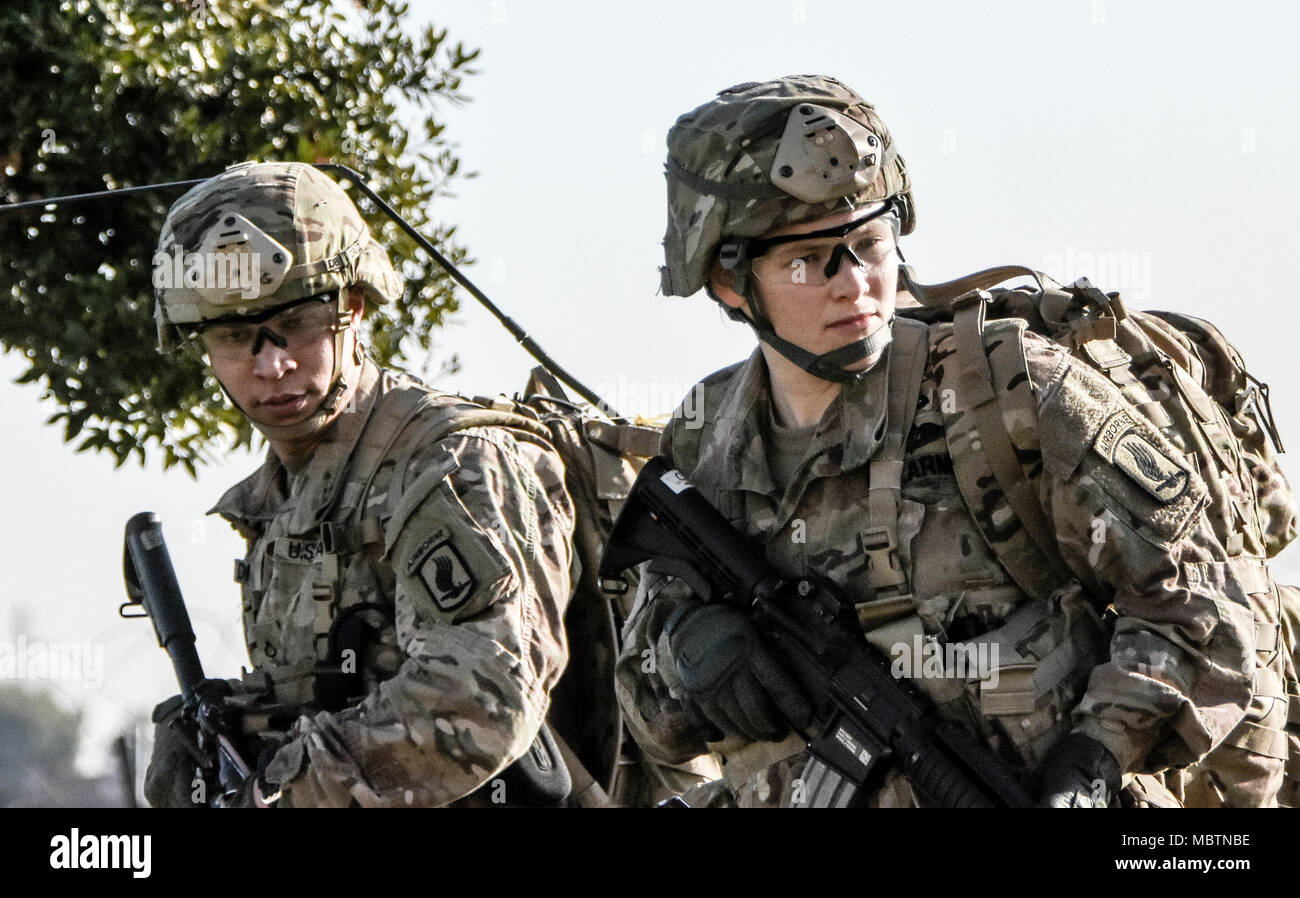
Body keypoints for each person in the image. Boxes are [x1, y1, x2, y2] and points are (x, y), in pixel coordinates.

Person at [614, 75, 1293, 807]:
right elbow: (648, 712)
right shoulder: (706, 437)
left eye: (871, 244)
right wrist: (692, 654)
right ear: (728, 282)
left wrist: (1095, 754)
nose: (857, 285)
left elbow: (1206, 606)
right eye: (809, 261)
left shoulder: (1008, 393)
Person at [142, 161, 575, 807]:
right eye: (236, 336)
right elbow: (334, 692)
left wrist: (276, 793)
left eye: (297, 323)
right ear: (200, 344)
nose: (272, 363)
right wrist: (236, 726)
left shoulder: (448, 463)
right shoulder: (279, 501)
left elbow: (483, 697)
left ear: (354, 307)